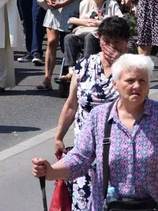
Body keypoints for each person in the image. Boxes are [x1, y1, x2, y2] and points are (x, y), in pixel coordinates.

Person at [32, 54, 158, 211]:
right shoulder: (99, 116)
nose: (137, 86)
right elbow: (80, 158)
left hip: (152, 205)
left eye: (142, 81)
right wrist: (50, 172)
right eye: (130, 80)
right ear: (115, 84)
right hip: (107, 206)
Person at [52, 16, 131, 209]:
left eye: (117, 42)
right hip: (84, 151)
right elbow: (71, 105)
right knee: (84, 202)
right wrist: (59, 136)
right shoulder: (84, 65)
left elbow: (139, 110)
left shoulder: (132, 70)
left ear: (127, 43)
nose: (111, 47)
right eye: (106, 42)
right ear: (99, 40)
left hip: (118, 152)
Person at [66, 0, 123, 66]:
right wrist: (86, 22)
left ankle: (87, 67)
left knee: (90, 37)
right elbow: (70, 19)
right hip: (83, 32)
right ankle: (70, 70)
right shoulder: (84, 3)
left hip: (103, 36)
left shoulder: (111, 3)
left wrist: (100, 23)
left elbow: (120, 21)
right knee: (69, 38)